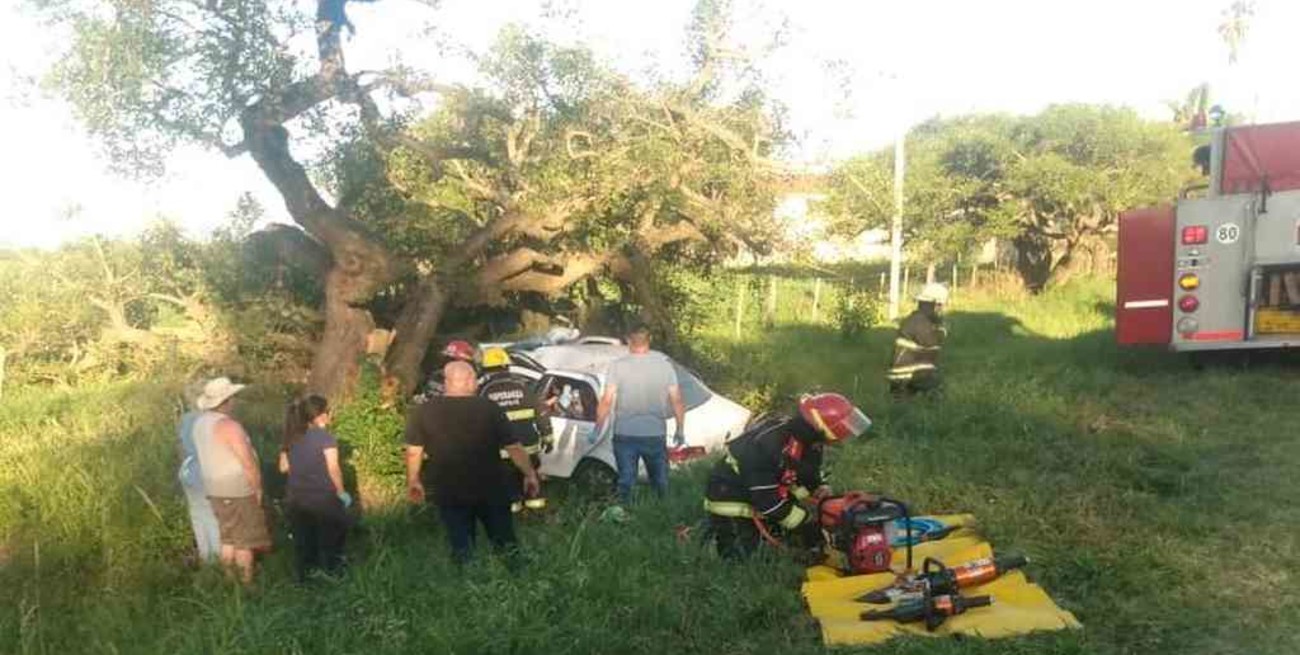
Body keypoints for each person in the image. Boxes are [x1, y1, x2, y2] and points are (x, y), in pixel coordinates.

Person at [703, 392, 872, 559]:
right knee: (748, 555)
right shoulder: (769, 445)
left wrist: (819, 487)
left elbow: (807, 472)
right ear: (822, 428)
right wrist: (805, 524)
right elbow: (766, 501)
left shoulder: (808, 439)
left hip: (765, 492)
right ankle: (714, 532)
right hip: (732, 496)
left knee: (788, 532)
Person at [404, 361, 541, 565]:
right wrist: (530, 474)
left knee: (461, 545)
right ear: (470, 381)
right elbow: (513, 447)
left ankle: (465, 585)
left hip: (449, 489)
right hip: (491, 488)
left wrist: (413, 480)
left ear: (447, 382)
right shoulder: (489, 409)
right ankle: (515, 581)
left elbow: (413, 452)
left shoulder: (424, 411)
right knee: (505, 543)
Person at [192, 377, 270, 585]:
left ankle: (228, 580)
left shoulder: (199, 423)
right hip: (237, 489)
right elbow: (247, 461)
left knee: (227, 537)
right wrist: (258, 488)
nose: (234, 402)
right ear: (226, 401)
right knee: (244, 541)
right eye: (232, 398)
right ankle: (246, 584)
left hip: (214, 488)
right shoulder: (229, 426)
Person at [595, 326, 686, 505]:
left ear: (629, 341)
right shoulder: (664, 366)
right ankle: (662, 513)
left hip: (625, 435)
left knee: (626, 481)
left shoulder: (617, 366)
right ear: (649, 340)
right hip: (654, 434)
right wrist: (680, 429)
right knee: (660, 481)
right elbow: (677, 400)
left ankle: (624, 515)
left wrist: (597, 427)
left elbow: (606, 401)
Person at [278, 395, 353, 582]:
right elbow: (333, 469)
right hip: (323, 498)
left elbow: (283, 467)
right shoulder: (325, 437)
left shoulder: (293, 436)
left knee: (304, 540)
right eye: (327, 412)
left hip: (297, 497)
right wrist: (341, 492)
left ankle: (306, 579)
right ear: (321, 415)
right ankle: (333, 574)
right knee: (330, 539)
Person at [477, 346, 553, 512]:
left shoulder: (484, 391)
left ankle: (515, 517)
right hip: (529, 448)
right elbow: (541, 413)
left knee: (509, 487)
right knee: (531, 478)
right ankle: (537, 511)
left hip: (503, 453)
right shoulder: (524, 386)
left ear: (485, 369)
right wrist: (548, 437)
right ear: (507, 366)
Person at [177, 381, 220, 564]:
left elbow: (180, 448)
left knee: (198, 516)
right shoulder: (211, 420)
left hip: (188, 470)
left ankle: (206, 558)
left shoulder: (186, 419)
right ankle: (220, 561)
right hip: (206, 471)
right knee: (214, 517)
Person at [888, 283, 949, 396]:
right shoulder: (920, 322)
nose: (941, 310)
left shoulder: (916, 319)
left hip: (907, 374)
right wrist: (941, 329)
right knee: (939, 392)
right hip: (907, 377)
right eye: (941, 306)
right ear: (934, 305)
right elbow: (931, 343)